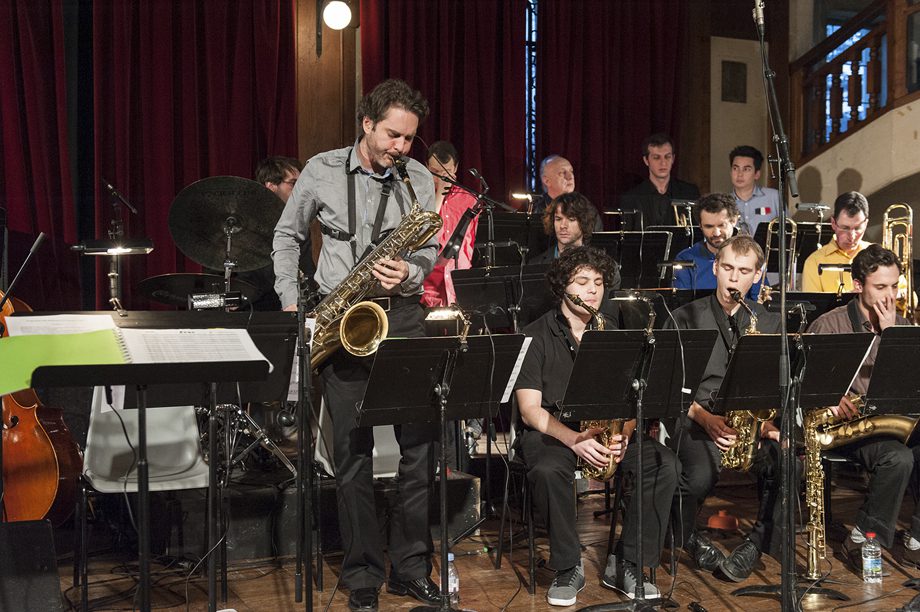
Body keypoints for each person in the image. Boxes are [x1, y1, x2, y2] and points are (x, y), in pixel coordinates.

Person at [272, 79, 439, 611]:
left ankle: (411, 566)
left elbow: (430, 249)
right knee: (351, 454)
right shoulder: (321, 170)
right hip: (342, 317)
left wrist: (410, 271)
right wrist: (289, 299)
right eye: (393, 136)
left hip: (403, 317)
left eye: (410, 140)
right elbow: (286, 237)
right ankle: (363, 571)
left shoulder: (417, 178)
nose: (401, 149)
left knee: (419, 449)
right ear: (366, 124)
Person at [514, 245, 679, 605]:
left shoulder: (616, 331)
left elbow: (635, 399)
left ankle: (628, 561)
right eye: (583, 281)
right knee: (545, 468)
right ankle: (567, 565)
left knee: (664, 463)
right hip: (555, 432)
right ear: (561, 287)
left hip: (609, 430)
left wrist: (624, 436)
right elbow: (529, 410)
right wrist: (574, 439)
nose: (592, 290)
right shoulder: (535, 334)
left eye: (599, 283)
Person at [665, 235, 788, 582]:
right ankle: (685, 534)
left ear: (759, 276)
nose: (734, 279)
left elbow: (771, 387)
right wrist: (704, 417)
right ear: (715, 268)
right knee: (699, 475)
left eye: (744, 271)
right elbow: (669, 385)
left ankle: (757, 541)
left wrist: (764, 426)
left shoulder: (769, 323)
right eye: (729, 268)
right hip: (694, 418)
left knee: (784, 462)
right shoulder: (684, 317)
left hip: (747, 423)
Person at [807, 244, 915, 568]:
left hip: (893, 422)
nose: (889, 294)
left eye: (895, 285)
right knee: (898, 458)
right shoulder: (829, 325)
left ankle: (917, 539)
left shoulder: (903, 325)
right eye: (880, 286)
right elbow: (807, 384)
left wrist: (892, 335)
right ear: (858, 285)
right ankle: (863, 540)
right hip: (847, 426)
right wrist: (829, 394)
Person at [671, 193, 763, 299]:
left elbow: (760, 303)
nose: (716, 233)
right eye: (709, 226)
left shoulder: (751, 257)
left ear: (734, 221)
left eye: (721, 225)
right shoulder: (685, 259)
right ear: (700, 226)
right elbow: (682, 307)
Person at [420, 141, 478, 308]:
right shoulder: (421, 196)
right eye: (435, 172)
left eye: (447, 172)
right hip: (428, 284)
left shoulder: (470, 200)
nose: (441, 178)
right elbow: (424, 232)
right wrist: (439, 194)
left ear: (456, 168)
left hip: (458, 281)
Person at [620, 133, 700, 229]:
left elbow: (697, 234)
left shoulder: (690, 192)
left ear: (673, 159)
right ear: (646, 160)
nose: (663, 163)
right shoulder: (630, 198)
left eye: (667, 157)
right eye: (656, 157)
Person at [802, 191, 871, 293]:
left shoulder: (877, 255)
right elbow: (814, 307)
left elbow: (901, 296)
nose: (852, 237)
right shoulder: (814, 261)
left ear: (865, 224)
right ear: (833, 223)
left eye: (857, 228)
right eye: (845, 228)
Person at [729, 145, 780, 236]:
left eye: (746, 169)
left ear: (757, 174)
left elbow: (788, 231)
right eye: (735, 168)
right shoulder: (723, 202)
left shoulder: (774, 197)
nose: (739, 174)